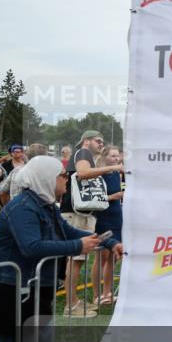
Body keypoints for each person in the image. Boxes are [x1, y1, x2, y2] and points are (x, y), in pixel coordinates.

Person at [0, 156, 122, 342]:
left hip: (34, 290)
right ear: (45, 177)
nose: (66, 179)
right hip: (13, 292)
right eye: (63, 174)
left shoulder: (44, 205)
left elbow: (70, 232)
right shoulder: (23, 208)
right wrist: (78, 246)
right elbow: (32, 246)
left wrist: (109, 242)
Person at [59, 130, 122, 316]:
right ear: (86, 141)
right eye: (98, 140)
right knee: (75, 259)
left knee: (78, 259)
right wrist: (112, 168)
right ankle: (70, 306)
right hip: (75, 212)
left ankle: (74, 302)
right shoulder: (84, 153)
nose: (101, 143)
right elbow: (83, 172)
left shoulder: (87, 155)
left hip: (82, 212)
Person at [92, 146, 124, 306]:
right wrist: (113, 196)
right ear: (105, 157)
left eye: (118, 156)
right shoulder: (98, 175)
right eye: (113, 156)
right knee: (101, 256)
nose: (116, 159)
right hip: (103, 218)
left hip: (117, 217)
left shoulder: (117, 174)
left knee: (113, 257)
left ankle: (108, 293)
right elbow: (94, 198)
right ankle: (97, 295)